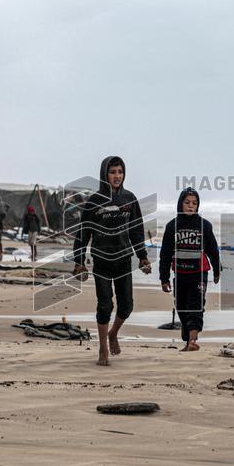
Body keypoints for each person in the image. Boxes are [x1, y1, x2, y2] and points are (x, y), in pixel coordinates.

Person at [73, 156, 152, 366]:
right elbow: (83, 233)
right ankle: (102, 349)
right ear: (104, 174)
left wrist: (142, 257)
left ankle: (113, 333)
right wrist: (78, 261)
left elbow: (136, 231)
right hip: (101, 259)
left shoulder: (129, 199)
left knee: (126, 306)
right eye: (113, 172)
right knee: (105, 305)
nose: (117, 176)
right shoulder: (94, 201)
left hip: (124, 258)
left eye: (120, 172)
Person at [159, 187, 221, 351]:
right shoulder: (172, 226)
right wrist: (164, 278)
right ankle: (188, 340)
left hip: (199, 274)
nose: (190, 206)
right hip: (180, 274)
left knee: (196, 307)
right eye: (187, 202)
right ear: (180, 204)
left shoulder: (204, 225)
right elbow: (165, 254)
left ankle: (192, 341)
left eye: (194, 203)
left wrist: (216, 269)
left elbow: (213, 250)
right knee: (181, 306)